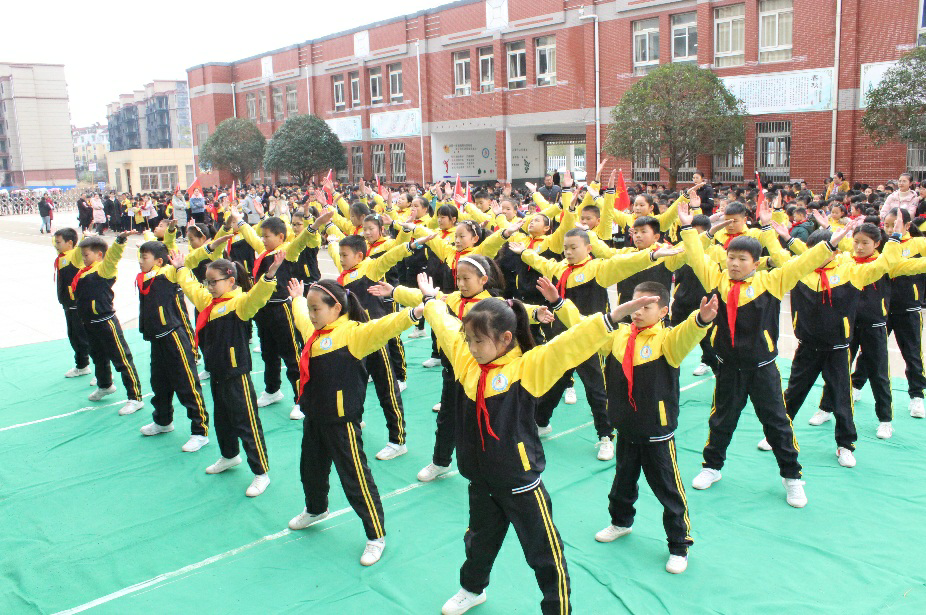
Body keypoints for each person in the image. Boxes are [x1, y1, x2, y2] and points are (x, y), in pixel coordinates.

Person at [420, 273, 660, 615]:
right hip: (482, 481)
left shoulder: (526, 368)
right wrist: (430, 301)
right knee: (478, 543)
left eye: (479, 342)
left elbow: (568, 345)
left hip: (520, 483)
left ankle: (557, 608)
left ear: (505, 339)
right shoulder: (467, 359)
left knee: (544, 553)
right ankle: (472, 589)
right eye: (469, 340)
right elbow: (444, 325)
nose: (471, 348)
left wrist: (610, 318)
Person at [678, 194, 854, 506]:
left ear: (755, 264)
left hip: (762, 368)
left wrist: (828, 245)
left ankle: (792, 477)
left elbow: (802, 263)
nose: (734, 263)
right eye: (731, 257)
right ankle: (711, 467)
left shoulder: (771, 281)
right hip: (729, 367)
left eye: (742, 259)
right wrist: (688, 229)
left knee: (777, 422)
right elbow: (695, 256)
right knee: (721, 419)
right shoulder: (716, 279)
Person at [508, 200, 682, 461]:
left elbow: (627, 263)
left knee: (596, 389)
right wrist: (523, 252)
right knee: (554, 380)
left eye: (574, 247)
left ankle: (605, 437)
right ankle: (541, 421)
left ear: (588, 248)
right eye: (565, 248)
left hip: (589, 337)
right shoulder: (559, 269)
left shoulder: (599, 269)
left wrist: (653, 255)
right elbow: (540, 260)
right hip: (560, 335)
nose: (568, 252)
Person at [285, 279, 422, 567]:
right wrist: (298, 299)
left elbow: (386, 326)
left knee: (356, 479)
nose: (311, 314)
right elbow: (300, 318)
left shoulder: (354, 334)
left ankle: (376, 535)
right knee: (310, 470)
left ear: (336, 307)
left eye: (316, 309)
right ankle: (316, 509)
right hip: (315, 419)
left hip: (342, 422)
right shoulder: (315, 330)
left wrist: (415, 313)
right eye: (310, 308)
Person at [591, 282, 718, 575]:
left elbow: (687, 333)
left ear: (663, 311)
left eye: (647, 306)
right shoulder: (619, 336)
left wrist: (701, 320)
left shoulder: (667, 341)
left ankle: (679, 545)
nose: (639, 311)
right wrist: (559, 304)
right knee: (623, 481)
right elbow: (588, 331)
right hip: (626, 429)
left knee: (668, 490)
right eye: (636, 305)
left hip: (657, 433)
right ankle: (620, 522)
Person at [765, 219, 902, 467]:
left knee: (842, 398)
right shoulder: (799, 271)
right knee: (793, 392)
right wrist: (772, 231)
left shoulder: (850, 271)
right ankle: (776, 434)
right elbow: (777, 254)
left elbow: (884, 263)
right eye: (812, 254)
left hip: (838, 348)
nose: (816, 258)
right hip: (807, 346)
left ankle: (845, 445)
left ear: (834, 251)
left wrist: (895, 238)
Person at [169, 250, 285, 497]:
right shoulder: (209, 303)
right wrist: (180, 269)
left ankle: (261, 473)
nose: (209, 286)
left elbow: (258, 296)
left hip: (237, 374)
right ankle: (229, 455)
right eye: (207, 282)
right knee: (223, 420)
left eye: (214, 282)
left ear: (231, 281)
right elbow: (191, 288)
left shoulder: (239, 304)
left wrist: (270, 275)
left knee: (247, 423)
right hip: (217, 372)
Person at [320, 229, 416, 459]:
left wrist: (411, 246)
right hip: (352, 339)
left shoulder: (370, 268)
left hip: (374, 338)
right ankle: (355, 419)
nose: (340, 259)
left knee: (386, 389)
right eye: (340, 255)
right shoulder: (344, 276)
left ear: (360, 256)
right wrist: (331, 235)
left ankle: (397, 439)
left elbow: (389, 257)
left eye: (345, 256)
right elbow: (334, 250)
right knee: (353, 384)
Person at [224, 209, 322, 419]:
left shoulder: (287, 251)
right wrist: (239, 220)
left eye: (267, 236)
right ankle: (272, 390)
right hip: (263, 309)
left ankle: (302, 398)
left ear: (280, 236)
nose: (263, 239)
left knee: (291, 353)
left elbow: (302, 241)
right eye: (263, 236)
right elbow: (251, 236)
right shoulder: (263, 251)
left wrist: (313, 227)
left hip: (281, 309)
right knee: (268, 352)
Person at [131, 241, 210, 452]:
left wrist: (204, 251)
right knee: (159, 383)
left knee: (187, 385)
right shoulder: (144, 279)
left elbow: (190, 261)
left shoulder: (168, 273)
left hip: (174, 337)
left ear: (158, 261)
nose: (140, 261)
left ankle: (200, 431)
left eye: (144, 258)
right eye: (140, 257)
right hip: (157, 339)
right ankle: (163, 421)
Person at [73, 233, 145, 416]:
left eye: (86, 255)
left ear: (99, 255)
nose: (83, 258)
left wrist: (119, 242)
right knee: (98, 357)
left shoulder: (103, 270)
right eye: (82, 255)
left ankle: (135, 398)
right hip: (89, 323)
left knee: (122, 359)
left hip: (105, 322)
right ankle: (105, 385)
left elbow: (112, 257)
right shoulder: (84, 272)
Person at [53, 228, 91, 378]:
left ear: (70, 243)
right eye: (55, 242)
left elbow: (81, 246)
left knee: (85, 337)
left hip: (77, 303)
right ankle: (82, 366)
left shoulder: (75, 256)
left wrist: (85, 236)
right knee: (74, 335)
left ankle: (103, 371)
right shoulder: (61, 255)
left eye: (58, 242)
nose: (56, 245)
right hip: (67, 303)